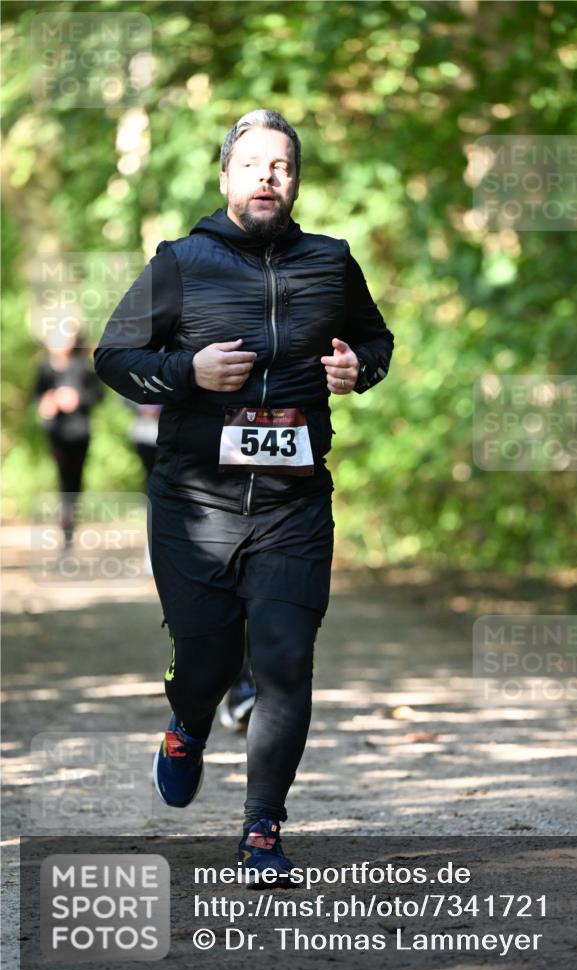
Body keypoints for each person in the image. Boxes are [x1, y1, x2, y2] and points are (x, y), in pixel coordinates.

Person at [94, 109, 393, 880]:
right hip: (195, 502)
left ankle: (262, 829)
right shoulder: (180, 262)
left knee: (285, 660)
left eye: (281, 166)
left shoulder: (331, 262)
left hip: (294, 505)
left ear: (295, 182)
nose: (268, 175)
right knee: (205, 661)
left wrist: (356, 369)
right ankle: (187, 726)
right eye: (253, 163)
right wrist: (186, 372)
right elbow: (114, 356)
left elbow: (376, 342)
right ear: (226, 176)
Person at [34, 329, 103, 552]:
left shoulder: (82, 367)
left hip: (79, 433)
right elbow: (37, 397)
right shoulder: (45, 368)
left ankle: (70, 529)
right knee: (64, 481)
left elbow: (97, 395)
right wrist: (47, 403)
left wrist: (77, 399)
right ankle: (66, 533)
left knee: (75, 482)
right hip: (56, 434)